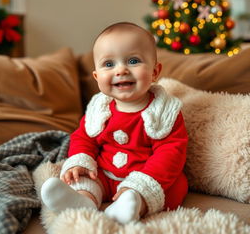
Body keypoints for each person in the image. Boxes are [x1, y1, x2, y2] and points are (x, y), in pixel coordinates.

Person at [41, 22, 188, 224]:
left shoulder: (165, 111)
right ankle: (82, 201)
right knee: (86, 178)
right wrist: (81, 161)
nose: (121, 70)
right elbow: (84, 137)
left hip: (147, 175)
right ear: (97, 77)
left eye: (133, 61)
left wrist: (138, 185)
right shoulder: (99, 108)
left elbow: (171, 152)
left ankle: (134, 204)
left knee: (176, 186)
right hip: (104, 172)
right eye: (109, 64)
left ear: (155, 71)